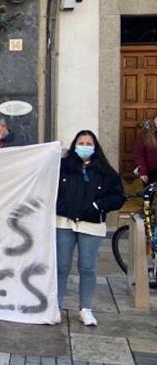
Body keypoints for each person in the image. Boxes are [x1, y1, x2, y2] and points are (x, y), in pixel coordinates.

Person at [55, 130, 125, 327]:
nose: (84, 146)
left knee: (87, 267)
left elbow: (118, 196)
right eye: (81, 142)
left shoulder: (105, 171)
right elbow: (50, 189)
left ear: (95, 147)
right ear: (74, 144)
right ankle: (56, 306)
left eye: (88, 143)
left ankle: (85, 308)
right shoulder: (63, 167)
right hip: (64, 223)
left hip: (91, 225)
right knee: (61, 266)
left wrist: (97, 207)